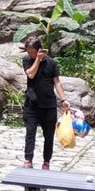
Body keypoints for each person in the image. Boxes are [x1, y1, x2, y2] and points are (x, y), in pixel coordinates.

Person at [21, 36, 69, 170]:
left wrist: (63, 99)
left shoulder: (51, 63)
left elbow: (57, 82)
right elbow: (30, 74)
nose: (30, 54)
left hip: (48, 105)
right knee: (30, 133)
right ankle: (28, 159)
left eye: (32, 51)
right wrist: (37, 59)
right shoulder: (27, 60)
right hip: (32, 104)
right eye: (28, 51)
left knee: (49, 136)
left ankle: (46, 161)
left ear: (39, 49)